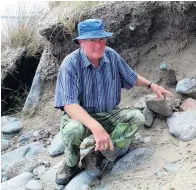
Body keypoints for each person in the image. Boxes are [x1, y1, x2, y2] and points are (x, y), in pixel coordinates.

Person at [54, 18, 172, 185]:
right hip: (80, 117)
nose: (99, 44)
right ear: (80, 42)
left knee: (137, 118)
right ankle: (71, 164)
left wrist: (152, 86)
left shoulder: (111, 55)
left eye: (102, 39)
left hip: (109, 113)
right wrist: (96, 128)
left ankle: (99, 154)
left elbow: (131, 77)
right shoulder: (70, 64)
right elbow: (70, 105)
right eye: (92, 40)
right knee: (73, 130)